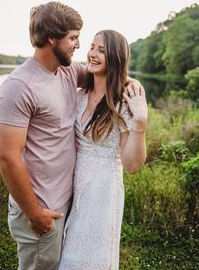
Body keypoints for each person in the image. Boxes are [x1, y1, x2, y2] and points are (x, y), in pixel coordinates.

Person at [0, 2, 142, 270]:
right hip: (39, 205)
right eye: (73, 38)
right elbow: (7, 158)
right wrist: (33, 212)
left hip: (69, 199)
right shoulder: (18, 87)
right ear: (52, 38)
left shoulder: (67, 71)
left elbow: (107, 75)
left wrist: (132, 85)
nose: (79, 46)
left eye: (80, 39)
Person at [58, 30, 147, 270]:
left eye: (102, 51)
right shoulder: (80, 95)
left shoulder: (123, 102)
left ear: (116, 58)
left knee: (92, 258)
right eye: (92, 47)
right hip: (75, 184)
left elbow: (132, 165)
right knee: (67, 250)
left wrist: (140, 124)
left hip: (103, 190)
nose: (92, 54)